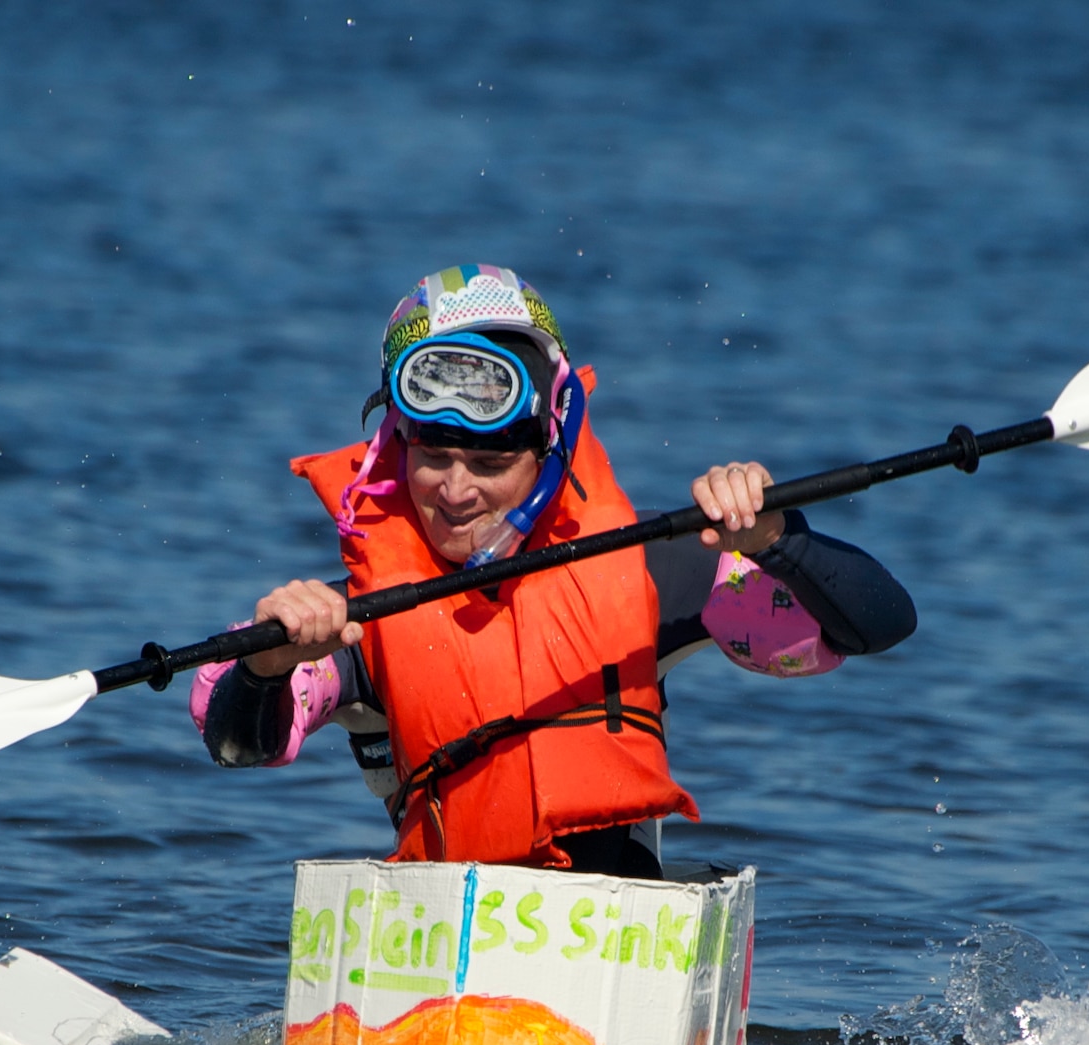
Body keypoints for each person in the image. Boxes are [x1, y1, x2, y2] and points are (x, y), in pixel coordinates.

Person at [192, 264, 915, 878]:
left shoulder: (651, 576)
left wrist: (773, 536)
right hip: (446, 958)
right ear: (394, 446)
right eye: (432, 456)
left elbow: (876, 626)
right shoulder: (353, 626)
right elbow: (235, 745)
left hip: (613, 956)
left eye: (490, 461)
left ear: (549, 452)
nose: (455, 489)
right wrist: (266, 665)